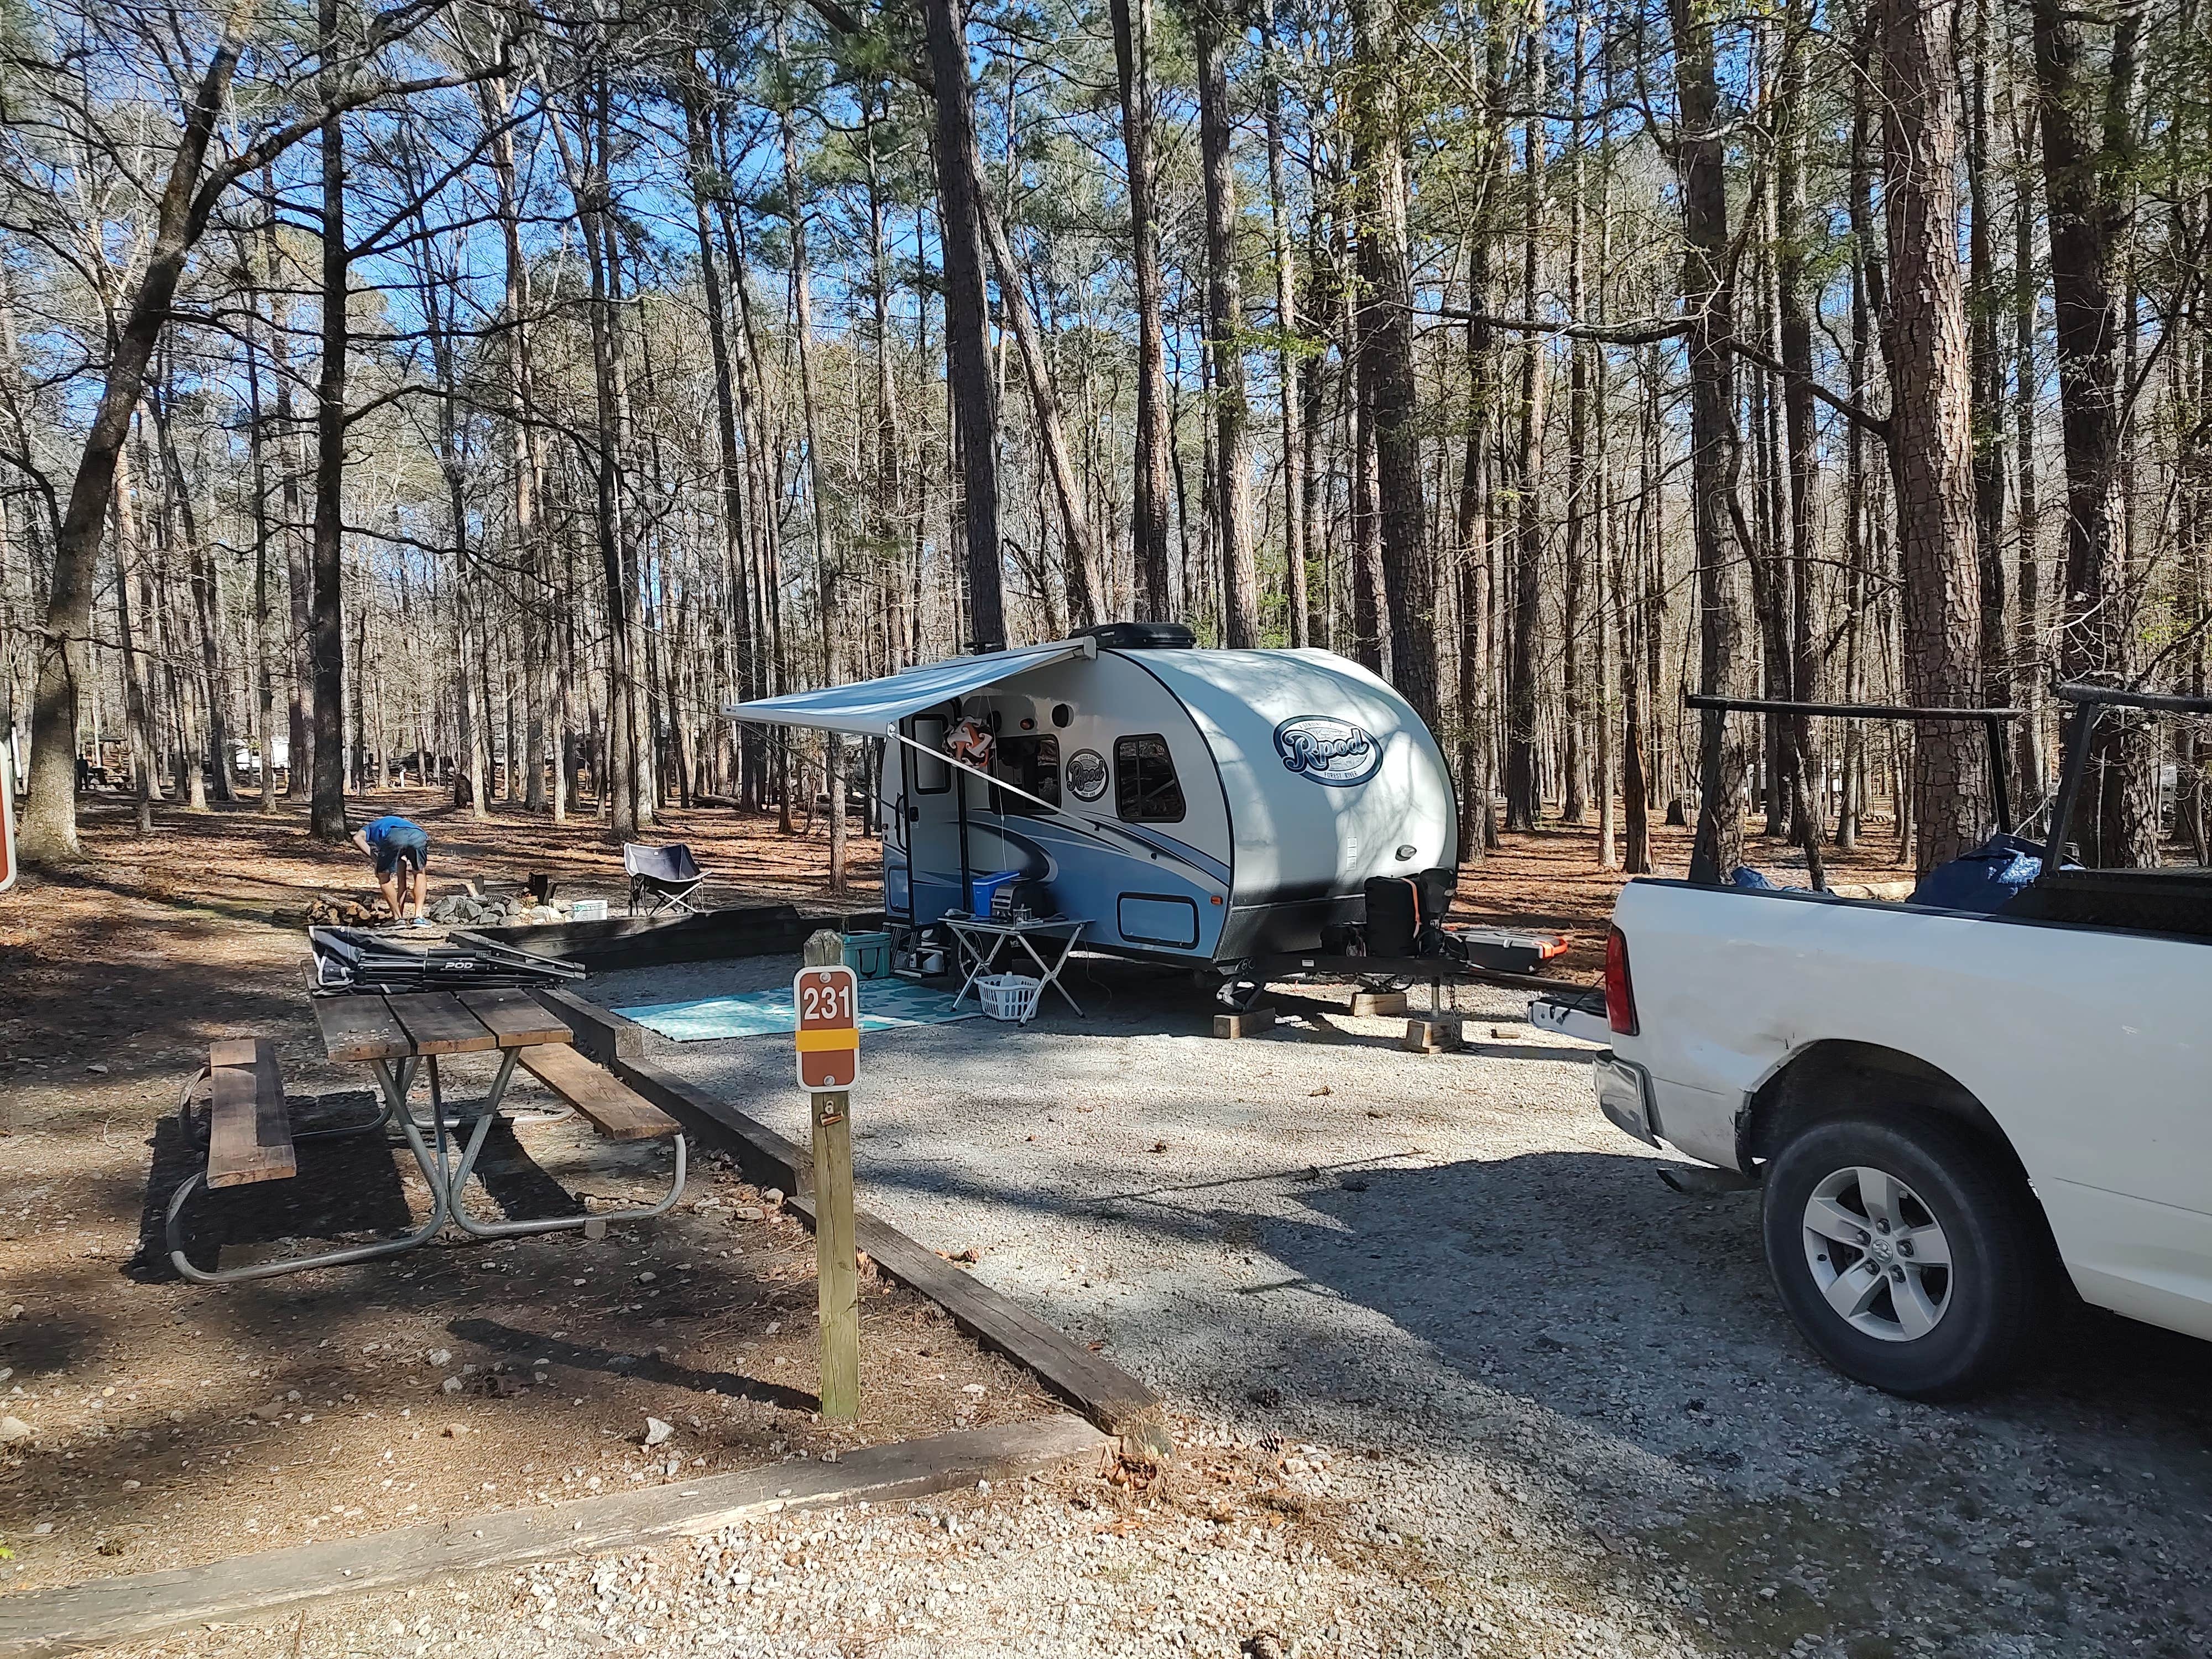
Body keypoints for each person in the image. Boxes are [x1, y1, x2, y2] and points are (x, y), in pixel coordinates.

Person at [352, 814, 431, 926]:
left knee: (384, 877)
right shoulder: (396, 823)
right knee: (419, 872)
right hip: (418, 835)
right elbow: (401, 881)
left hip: (395, 836)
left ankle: (397, 919)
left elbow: (357, 838)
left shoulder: (369, 828)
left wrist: (376, 860)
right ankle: (419, 917)